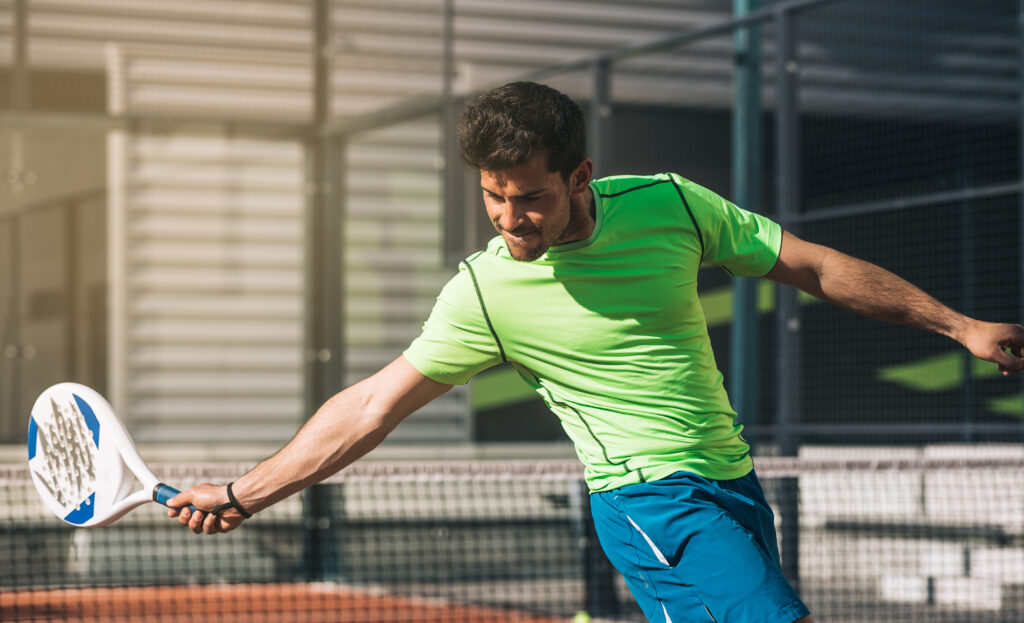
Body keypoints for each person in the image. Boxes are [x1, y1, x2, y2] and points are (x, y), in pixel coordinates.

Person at [168, 81, 1024, 623]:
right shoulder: (483, 290)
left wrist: (959, 327)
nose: (509, 220)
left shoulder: (670, 205)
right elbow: (372, 405)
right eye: (493, 198)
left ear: (580, 176)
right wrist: (249, 490)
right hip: (648, 501)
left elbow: (810, 264)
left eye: (530, 198)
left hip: (732, 481)